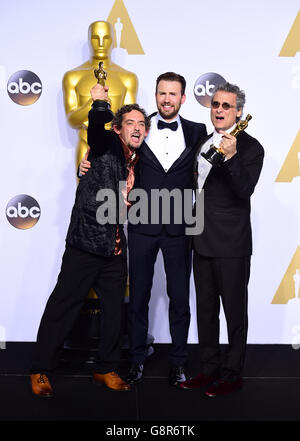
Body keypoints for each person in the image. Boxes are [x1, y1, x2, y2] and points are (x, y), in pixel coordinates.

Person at [80, 72, 207, 387]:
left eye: (173, 94)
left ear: (183, 98)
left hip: (179, 226)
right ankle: (135, 360)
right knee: (138, 297)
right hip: (142, 224)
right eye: (162, 93)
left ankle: (178, 363)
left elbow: (207, 172)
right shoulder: (136, 127)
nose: (167, 99)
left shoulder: (197, 131)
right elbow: (104, 150)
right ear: (156, 95)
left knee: (179, 298)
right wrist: (84, 163)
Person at [30, 84, 150, 397]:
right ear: (118, 128)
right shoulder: (105, 143)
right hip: (85, 241)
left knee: (114, 311)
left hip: (114, 246)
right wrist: (100, 104)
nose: (136, 128)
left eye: (141, 125)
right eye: (130, 123)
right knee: (64, 305)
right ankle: (41, 369)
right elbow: (96, 130)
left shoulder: (137, 159)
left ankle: (105, 368)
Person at [180, 82, 264, 396]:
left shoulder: (252, 147)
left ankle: (232, 374)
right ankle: (208, 369)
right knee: (205, 311)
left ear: (238, 111)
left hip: (232, 243)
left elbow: (244, 191)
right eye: (215, 104)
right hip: (200, 239)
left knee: (234, 312)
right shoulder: (202, 142)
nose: (219, 110)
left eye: (226, 106)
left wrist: (230, 159)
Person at [62, 20, 138, 169]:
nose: (101, 43)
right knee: (85, 191)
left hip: (117, 148)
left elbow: (130, 121)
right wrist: (93, 102)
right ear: (89, 40)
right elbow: (72, 120)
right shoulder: (73, 77)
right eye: (96, 38)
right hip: (86, 145)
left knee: (118, 192)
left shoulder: (128, 78)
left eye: (107, 38)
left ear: (113, 41)